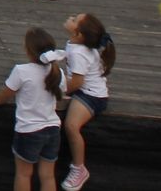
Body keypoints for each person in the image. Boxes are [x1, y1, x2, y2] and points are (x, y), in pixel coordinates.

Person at [0, 28, 66, 191]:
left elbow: (6, 93)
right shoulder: (58, 72)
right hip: (53, 128)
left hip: (29, 130)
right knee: (48, 175)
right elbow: (62, 93)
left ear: (28, 50)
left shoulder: (21, 70)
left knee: (24, 174)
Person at [61, 13, 114, 191]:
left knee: (71, 126)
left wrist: (58, 92)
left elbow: (77, 82)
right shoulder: (76, 45)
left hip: (91, 96)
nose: (71, 17)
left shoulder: (79, 53)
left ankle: (79, 168)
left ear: (79, 34)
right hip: (84, 90)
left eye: (75, 20)